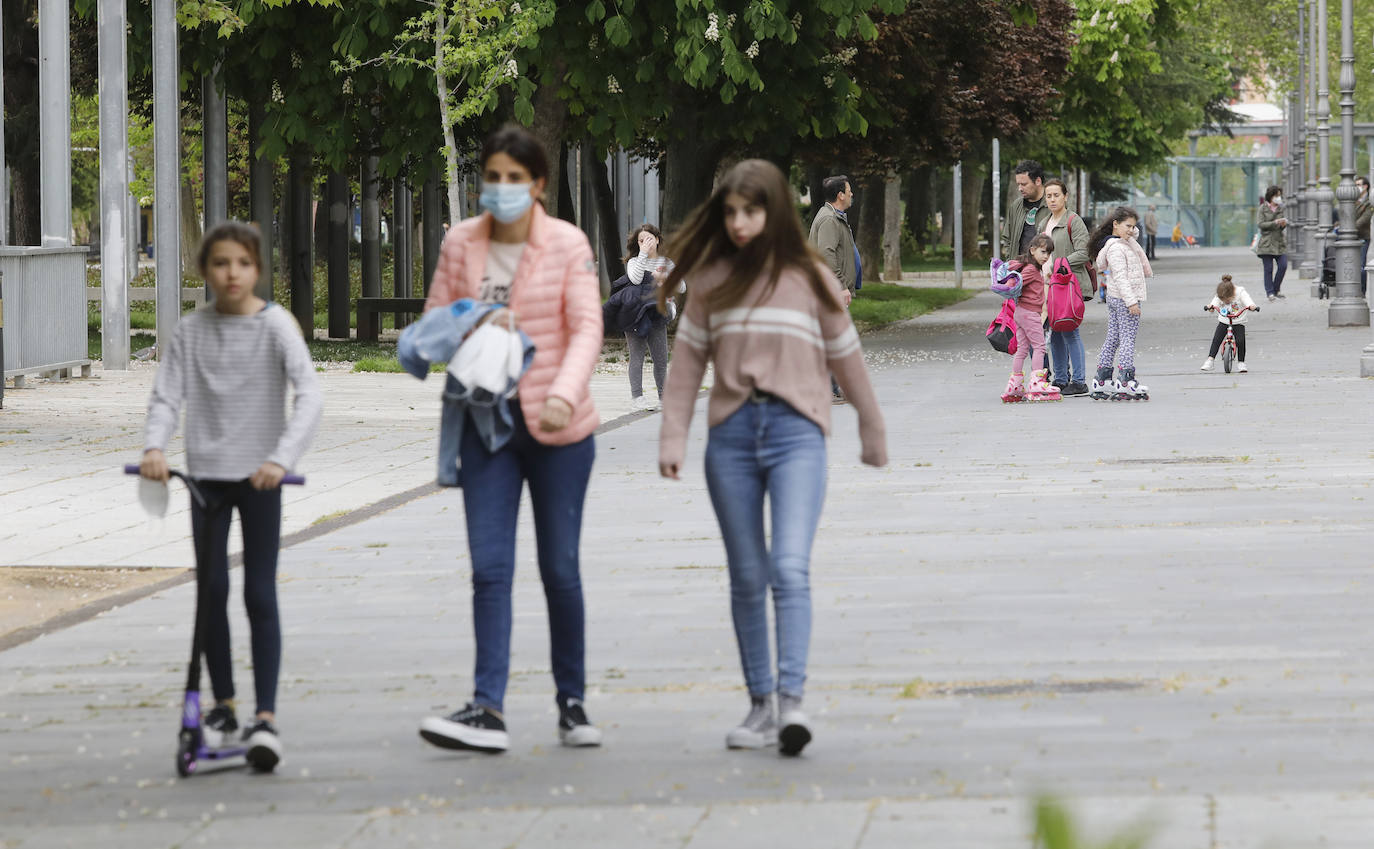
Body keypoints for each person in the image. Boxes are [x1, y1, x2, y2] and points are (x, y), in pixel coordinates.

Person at [658, 159, 887, 756]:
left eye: (751, 211)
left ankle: (791, 702)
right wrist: (672, 437)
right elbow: (686, 365)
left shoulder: (808, 275)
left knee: (788, 567)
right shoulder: (710, 278)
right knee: (746, 574)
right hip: (732, 437)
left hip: (796, 435)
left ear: (775, 212)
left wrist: (871, 425)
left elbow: (846, 354)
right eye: (730, 212)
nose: (738, 223)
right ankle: (759, 705)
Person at [417, 124, 604, 754]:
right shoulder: (460, 243)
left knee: (560, 569)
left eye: (514, 179)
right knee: (490, 570)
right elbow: (433, 323)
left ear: (538, 184)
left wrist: (563, 394)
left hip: (559, 427)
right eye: (491, 177)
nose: (501, 189)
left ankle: (572, 703)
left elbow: (586, 328)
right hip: (485, 425)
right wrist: (467, 321)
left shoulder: (567, 243)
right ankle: (486, 708)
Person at [140, 221, 323, 773]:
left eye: (242, 264)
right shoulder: (191, 331)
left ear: (257, 270)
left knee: (259, 594)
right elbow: (166, 397)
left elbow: (310, 396)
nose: (232, 273)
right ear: (205, 271)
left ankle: (264, 716)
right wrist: (154, 448)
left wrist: (280, 459)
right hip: (207, 479)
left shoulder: (277, 326)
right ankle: (223, 704)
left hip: (261, 479)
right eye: (220, 263)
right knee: (211, 589)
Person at [1088, 206, 1152, 400]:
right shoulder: (1117, 248)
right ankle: (1125, 379)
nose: (1131, 231)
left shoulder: (1121, 241)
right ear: (1115, 225)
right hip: (1125, 299)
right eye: (1127, 226)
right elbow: (1121, 278)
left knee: (1114, 338)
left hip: (1116, 298)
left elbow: (1133, 231)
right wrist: (1132, 302)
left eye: (1133, 226)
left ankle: (1103, 377)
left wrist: (1130, 226)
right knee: (1127, 339)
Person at [617, 224, 681, 411]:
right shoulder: (634, 262)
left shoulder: (667, 262)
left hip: (657, 313)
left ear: (658, 239)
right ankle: (637, 398)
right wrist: (643, 255)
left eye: (649, 239)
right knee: (636, 357)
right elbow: (635, 279)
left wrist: (664, 277)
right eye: (641, 240)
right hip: (635, 314)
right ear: (637, 244)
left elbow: (682, 286)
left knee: (660, 358)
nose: (645, 243)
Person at [807, 175, 858, 402]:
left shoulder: (834, 217)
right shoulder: (829, 219)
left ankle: (834, 388)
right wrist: (841, 286)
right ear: (840, 195)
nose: (851, 194)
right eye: (849, 191)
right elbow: (827, 255)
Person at [1039, 178, 1091, 396]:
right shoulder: (1044, 223)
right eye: (1048, 196)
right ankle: (1061, 379)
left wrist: (1061, 264)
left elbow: (1085, 252)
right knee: (1055, 332)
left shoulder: (1074, 221)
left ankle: (1079, 381)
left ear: (1065, 196)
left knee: (1069, 331)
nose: (1052, 199)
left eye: (1056, 195)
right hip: (1048, 286)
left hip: (1067, 286)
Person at [1000, 234, 1061, 403]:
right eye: (1043, 252)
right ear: (1032, 250)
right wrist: (1009, 285)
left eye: (1048, 253)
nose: (1046, 256)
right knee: (1040, 347)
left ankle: (1015, 384)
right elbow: (1015, 282)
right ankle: (1036, 382)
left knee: (1022, 349)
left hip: (1020, 312)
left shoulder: (1032, 268)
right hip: (1029, 313)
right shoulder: (1031, 270)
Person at [1201, 274, 1256, 373]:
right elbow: (1214, 304)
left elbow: (1247, 301)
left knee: (1240, 341)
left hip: (1238, 321)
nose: (1225, 301)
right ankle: (1210, 360)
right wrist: (1211, 307)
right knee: (1217, 339)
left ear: (1233, 294)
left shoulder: (1240, 292)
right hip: (1224, 320)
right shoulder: (1220, 294)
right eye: (1223, 300)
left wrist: (1251, 306)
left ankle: (1241, 363)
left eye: (1228, 299)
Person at [1000, 159, 1047, 260]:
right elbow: (1007, 239)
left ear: (1038, 181)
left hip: (1046, 271)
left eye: (1024, 184)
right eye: (1018, 184)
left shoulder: (1053, 205)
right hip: (1021, 270)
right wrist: (1012, 260)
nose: (1020, 188)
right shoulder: (1015, 206)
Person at [1255, 185, 1289, 302]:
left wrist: (1283, 224)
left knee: (1283, 266)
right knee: (1268, 269)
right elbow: (1260, 224)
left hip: (1279, 242)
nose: (1278, 198)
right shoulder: (1262, 208)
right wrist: (1274, 222)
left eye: (1279, 196)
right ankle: (1270, 292)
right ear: (1271, 196)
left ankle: (1276, 289)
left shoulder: (1281, 208)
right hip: (1267, 243)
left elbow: (1280, 227)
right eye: (1276, 196)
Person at [1355, 176, 1371, 295]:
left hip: (1363, 236)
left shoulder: (1369, 201)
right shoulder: (1354, 200)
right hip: (1353, 237)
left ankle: (1363, 290)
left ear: (1365, 186)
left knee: (1361, 264)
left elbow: (1365, 219)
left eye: (1358, 185)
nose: (1357, 187)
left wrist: (1349, 229)